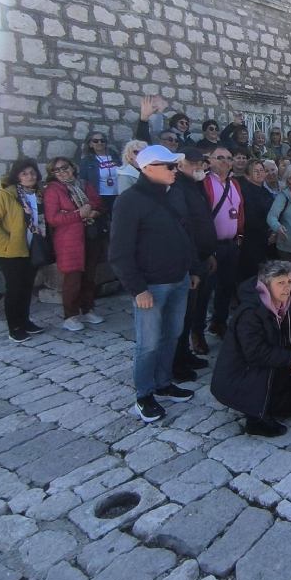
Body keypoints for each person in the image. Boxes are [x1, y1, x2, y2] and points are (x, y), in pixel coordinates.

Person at [108, 145, 199, 422]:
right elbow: (119, 251)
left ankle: (163, 382)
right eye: (168, 166)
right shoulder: (129, 201)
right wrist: (138, 289)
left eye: (175, 165)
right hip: (152, 285)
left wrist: (192, 268)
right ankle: (144, 394)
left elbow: (185, 234)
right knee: (148, 343)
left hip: (178, 279)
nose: (174, 170)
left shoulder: (172, 194)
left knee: (172, 334)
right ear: (147, 169)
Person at [211, 260, 291, 437]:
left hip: (265, 363)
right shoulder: (250, 312)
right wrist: (289, 359)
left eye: (289, 282)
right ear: (266, 285)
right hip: (242, 373)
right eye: (280, 283)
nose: (287, 288)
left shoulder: (282, 304)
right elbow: (254, 352)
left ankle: (271, 402)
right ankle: (256, 419)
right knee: (277, 372)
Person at [0, 159, 48, 342]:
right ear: (17, 176)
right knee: (15, 289)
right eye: (24, 173)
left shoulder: (39, 194)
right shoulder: (4, 196)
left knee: (27, 287)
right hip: (11, 251)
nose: (29, 177)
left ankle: (25, 321)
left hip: (32, 248)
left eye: (32, 173)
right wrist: (6, 241)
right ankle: (15, 327)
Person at [44, 156, 106, 332]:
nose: (62, 172)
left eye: (65, 167)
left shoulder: (84, 184)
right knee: (73, 278)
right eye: (57, 170)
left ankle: (87, 309)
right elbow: (53, 218)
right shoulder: (53, 190)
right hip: (69, 240)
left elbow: (98, 202)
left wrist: (93, 211)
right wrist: (79, 214)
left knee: (89, 276)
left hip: (90, 236)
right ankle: (70, 315)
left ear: (72, 167)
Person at [172, 148, 216, 371]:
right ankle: (177, 360)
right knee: (184, 312)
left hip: (203, 256)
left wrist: (210, 253)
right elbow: (184, 228)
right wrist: (193, 267)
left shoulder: (196, 185)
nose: (199, 167)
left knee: (196, 308)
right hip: (190, 260)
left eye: (201, 163)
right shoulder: (178, 188)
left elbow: (204, 220)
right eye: (194, 163)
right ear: (180, 165)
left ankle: (185, 353)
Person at [197, 146, 245, 338]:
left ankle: (219, 322)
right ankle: (197, 332)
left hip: (231, 244)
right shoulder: (204, 183)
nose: (225, 161)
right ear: (210, 160)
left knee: (226, 286)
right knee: (204, 291)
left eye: (228, 158)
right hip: (212, 246)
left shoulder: (234, 183)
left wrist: (239, 235)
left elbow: (239, 211)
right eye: (220, 157)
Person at [237, 159, 276, 283]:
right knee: (252, 276)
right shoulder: (245, 192)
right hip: (252, 240)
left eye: (261, 170)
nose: (260, 173)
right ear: (248, 176)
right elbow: (251, 218)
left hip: (267, 239)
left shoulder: (265, 191)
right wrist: (268, 234)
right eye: (255, 171)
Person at [78, 131, 121, 210]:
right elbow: (83, 180)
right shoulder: (87, 161)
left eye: (102, 140)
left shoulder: (115, 156)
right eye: (95, 141)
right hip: (99, 196)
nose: (99, 143)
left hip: (118, 194)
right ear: (90, 144)